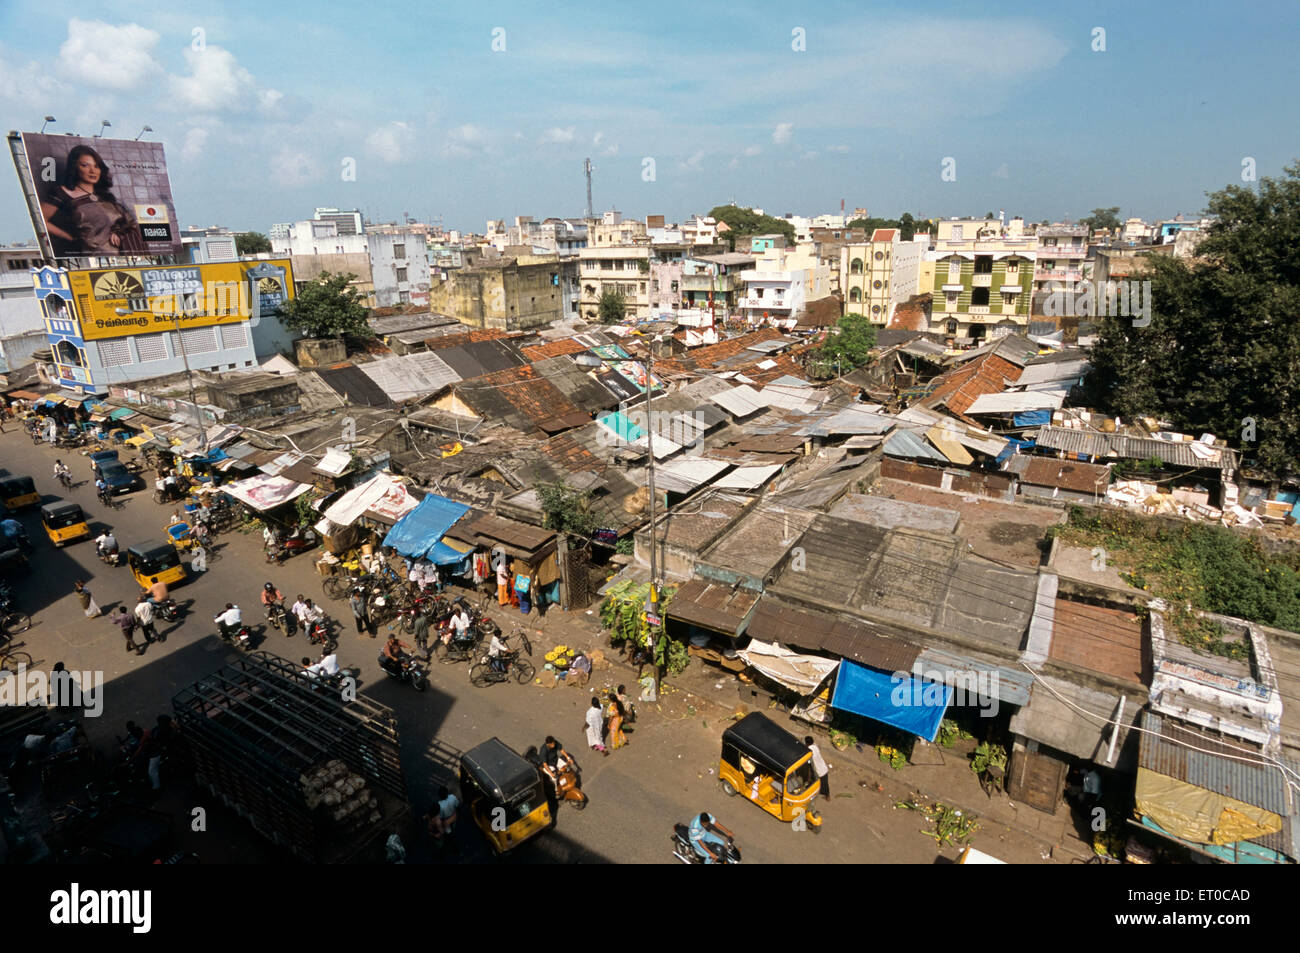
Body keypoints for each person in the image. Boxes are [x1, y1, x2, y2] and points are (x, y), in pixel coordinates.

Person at [39, 143, 147, 256]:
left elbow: (131, 224)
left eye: (96, 166)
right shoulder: (62, 193)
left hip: (124, 255)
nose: (93, 171)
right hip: (91, 257)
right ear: (74, 167)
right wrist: (70, 238)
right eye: (85, 165)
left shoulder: (106, 197)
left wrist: (120, 233)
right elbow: (41, 220)